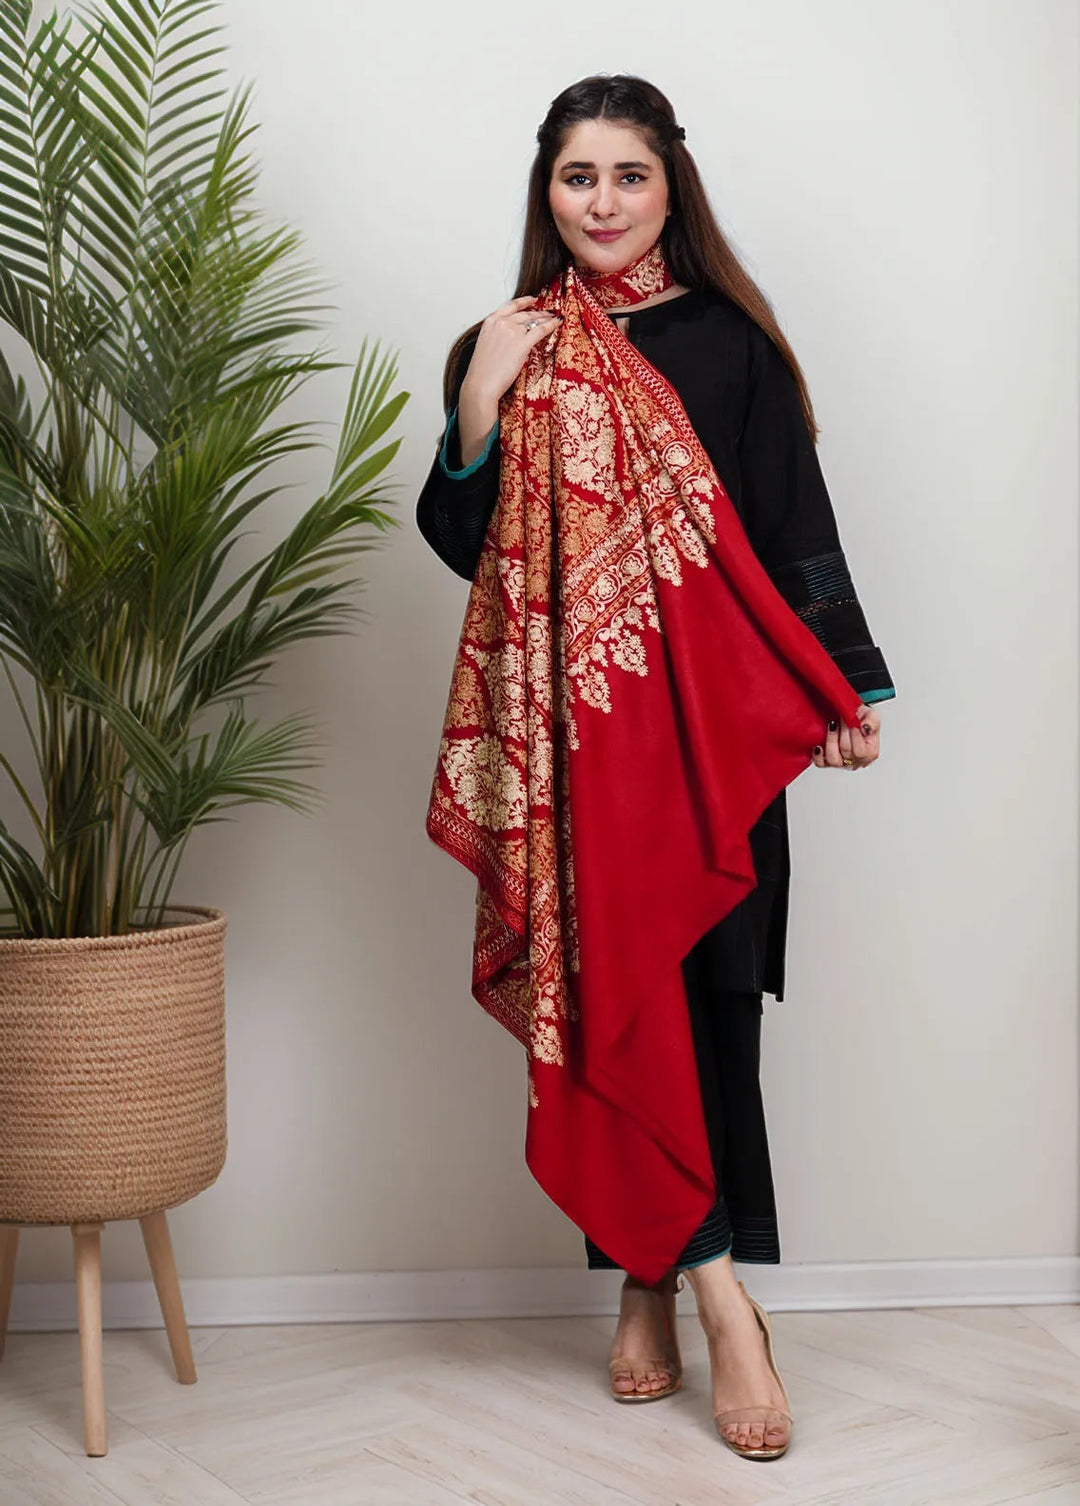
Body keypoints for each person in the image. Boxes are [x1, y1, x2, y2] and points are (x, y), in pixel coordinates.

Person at [416, 73, 895, 1462]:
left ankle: (666, 1285)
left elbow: (792, 518)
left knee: (713, 1005)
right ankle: (701, 1298)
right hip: (577, 750)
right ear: (547, 190)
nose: (604, 201)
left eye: (628, 174)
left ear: (670, 184)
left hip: (708, 737)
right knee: (611, 1010)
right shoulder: (506, 341)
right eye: (579, 176)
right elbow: (468, 548)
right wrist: (477, 406)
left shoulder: (732, 344)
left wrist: (846, 680)